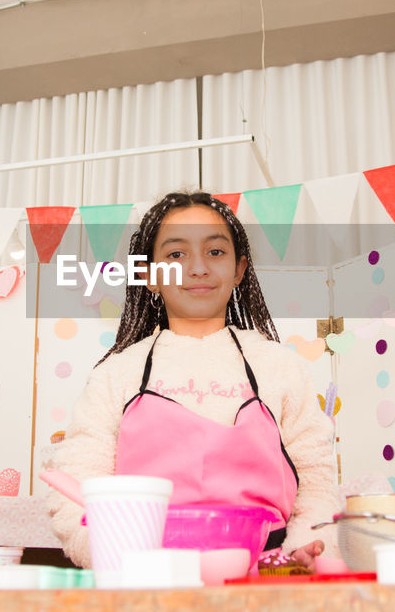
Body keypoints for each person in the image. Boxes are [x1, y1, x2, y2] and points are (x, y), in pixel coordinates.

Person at [47, 191, 339, 571]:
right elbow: (77, 489)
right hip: (149, 578)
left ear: (239, 269)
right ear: (149, 276)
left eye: (215, 252)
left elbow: (316, 482)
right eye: (176, 255)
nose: (198, 268)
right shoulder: (115, 376)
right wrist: (120, 559)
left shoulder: (279, 368)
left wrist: (299, 550)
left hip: (266, 574)